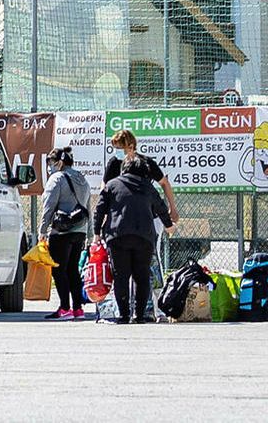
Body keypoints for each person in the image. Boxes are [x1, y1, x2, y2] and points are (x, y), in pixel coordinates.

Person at [105, 128, 178, 319]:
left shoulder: (144, 163)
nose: (120, 154)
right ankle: (124, 308)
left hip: (148, 218)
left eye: (122, 148)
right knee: (122, 268)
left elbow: (164, 183)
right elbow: (106, 190)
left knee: (150, 262)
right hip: (121, 220)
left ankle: (150, 308)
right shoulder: (115, 164)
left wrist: (172, 208)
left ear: (130, 145)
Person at [93, 154, 171, 324]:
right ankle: (140, 315)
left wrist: (96, 232)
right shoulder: (148, 187)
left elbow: (99, 209)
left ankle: (123, 315)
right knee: (142, 276)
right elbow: (161, 207)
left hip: (117, 236)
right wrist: (169, 224)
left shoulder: (112, 185)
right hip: (144, 237)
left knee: (120, 276)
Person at [39, 146, 90, 321]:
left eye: (51, 163)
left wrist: (42, 230)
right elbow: (87, 205)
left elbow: (48, 206)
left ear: (59, 162)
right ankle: (78, 309)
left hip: (61, 231)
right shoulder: (82, 178)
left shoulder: (57, 178)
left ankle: (64, 308)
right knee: (73, 269)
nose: (50, 167)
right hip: (80, 230)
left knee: (59, 269)